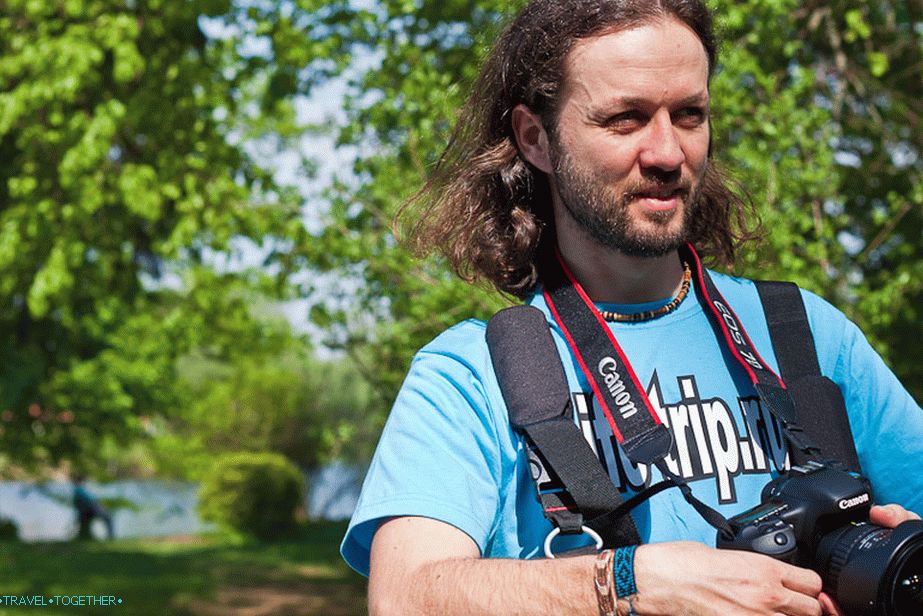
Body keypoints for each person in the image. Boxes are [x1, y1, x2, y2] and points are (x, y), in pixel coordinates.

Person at [341, 1, 923, 614]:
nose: (668, 153)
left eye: (690, 114)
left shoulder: (803, 332)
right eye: (626, 118)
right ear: (536, 138)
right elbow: (404, 596)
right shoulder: (471, 373)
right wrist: (628, 583)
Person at [73, 474, 114, 540]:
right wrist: (102, 507)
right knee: (108, 517)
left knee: (107, 514)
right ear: (82, 481)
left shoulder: (76, 490)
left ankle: (110, 537)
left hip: (84, 512)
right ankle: (111, 537)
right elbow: (92, 501)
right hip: (90, 511)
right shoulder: (81, 490)